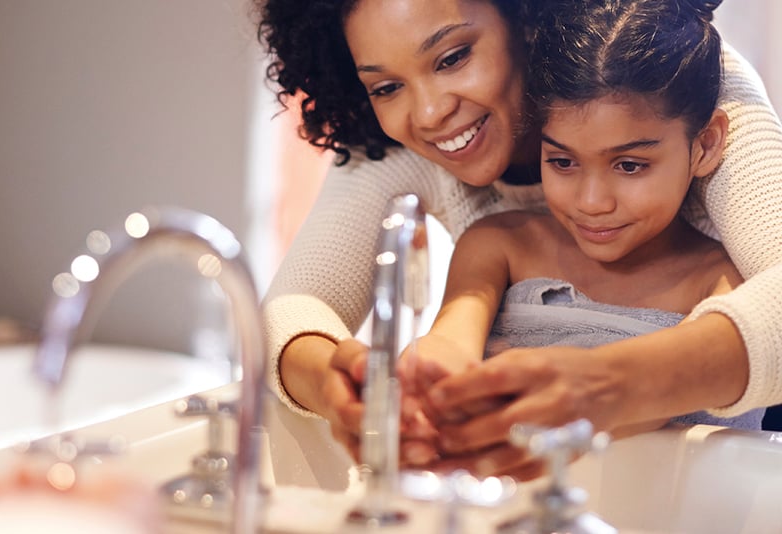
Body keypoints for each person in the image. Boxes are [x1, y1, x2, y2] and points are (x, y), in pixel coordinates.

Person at [256, 0, 782, 475]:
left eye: (452, 57)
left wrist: (608, 385)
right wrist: (337, 384)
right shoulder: (405, 155)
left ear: (526, 19)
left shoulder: (675, 74)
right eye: (387, 86)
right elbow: (293, 306)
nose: (430, 112)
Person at [397, 0, 765, 475]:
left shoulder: (723, 282)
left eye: (630, 165)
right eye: (563, 162)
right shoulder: (500, 245)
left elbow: (700, 392)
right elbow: (450, 339)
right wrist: (429, 378)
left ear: (706, 144)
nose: (591, 201)